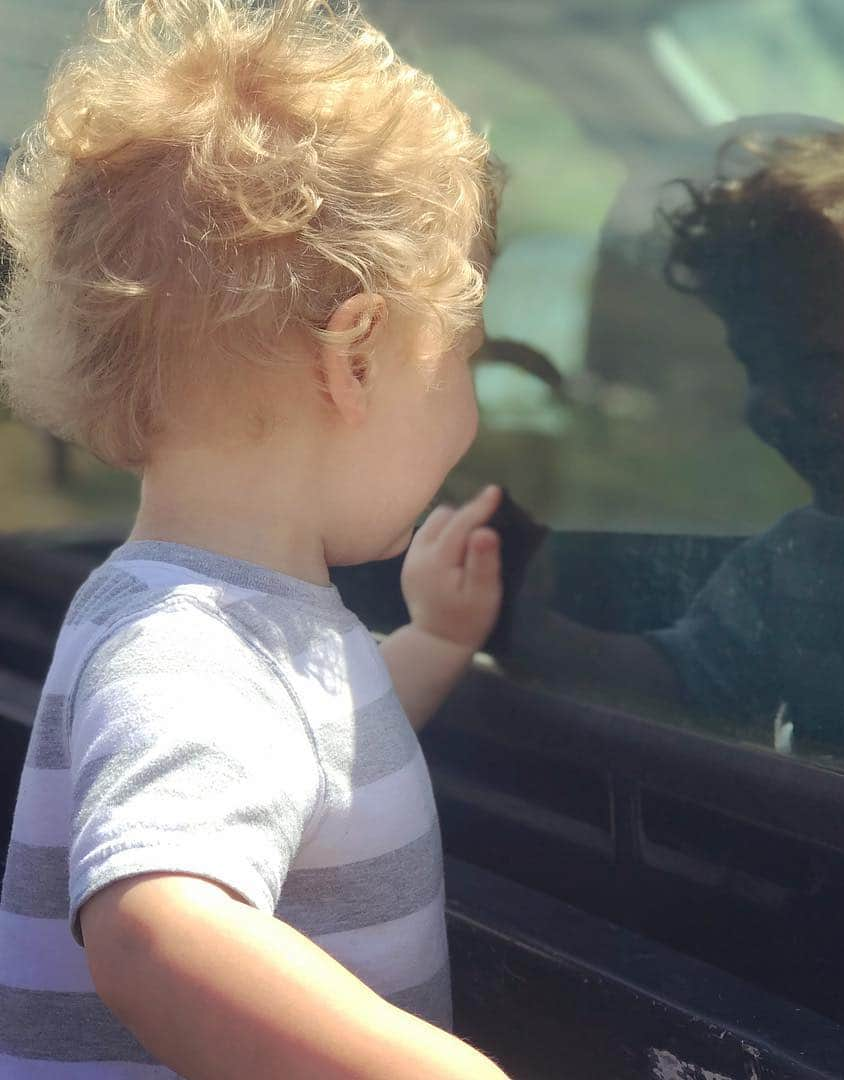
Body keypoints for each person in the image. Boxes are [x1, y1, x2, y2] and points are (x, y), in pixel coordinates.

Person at [0, 2, 510, 1077]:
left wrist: (435, 640)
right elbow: (156, 932)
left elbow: (312, 763)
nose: (473, 414)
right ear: (357, 357)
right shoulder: (191, 654)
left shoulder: (225, 618)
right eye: (465, 355)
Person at [509, 127, 844, 773]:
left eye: (817, 365)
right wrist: (532, 634)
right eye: (755, 367)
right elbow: (686, 682)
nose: (769, 406)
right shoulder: (795, 563)